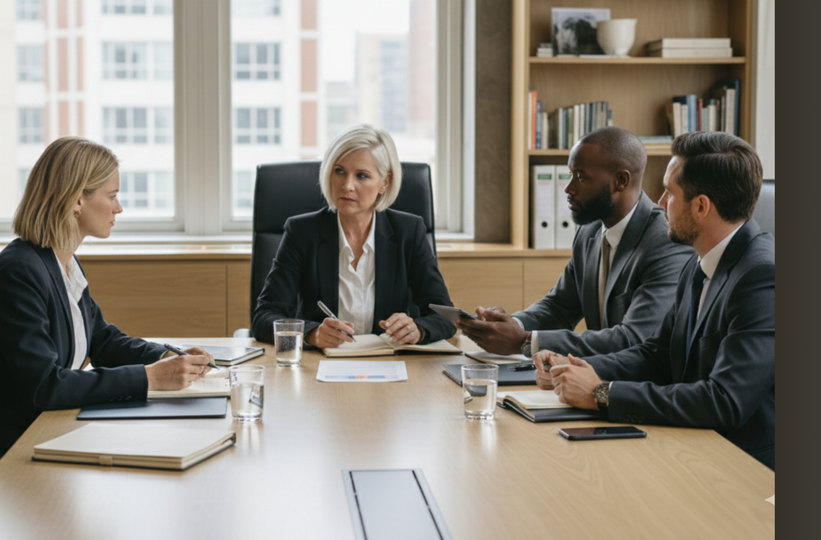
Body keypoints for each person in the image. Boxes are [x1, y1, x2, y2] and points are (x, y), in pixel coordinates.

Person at [538, 131, 776, 468]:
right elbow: (658, 354)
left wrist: (601, 393)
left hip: (745, 468)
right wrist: (574, 368)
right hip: (693, 446)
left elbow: (724, 400)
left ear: (701, 206)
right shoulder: (700, 261)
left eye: (669, 193)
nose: (660, 204)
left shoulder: (761, 277)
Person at [0, 137, 215, 462]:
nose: (118, 207)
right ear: (76, 200)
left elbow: (102, 341)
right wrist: (151, 377)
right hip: (19, 449)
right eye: (111, 196)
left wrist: (169, 356)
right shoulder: (19, 270)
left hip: (57, 429)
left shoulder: (62, 261)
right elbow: (45, 385)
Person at [455, 126, 693, 357]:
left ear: (620, 181)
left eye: (581, 177)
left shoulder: (665, 242)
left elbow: (634, 338)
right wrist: (510, 325)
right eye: (570, 175)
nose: (569, 188)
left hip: (638, 387)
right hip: (595, 376)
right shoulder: (589, 231)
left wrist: (526, 342)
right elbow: (559, 307)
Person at [251, 125, 455, 349]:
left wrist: (418, 329)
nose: (347, 185)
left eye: (362, 176)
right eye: (339, 171)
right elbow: (264, 317)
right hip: (321, 367)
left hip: (389, 366)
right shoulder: (302, 232)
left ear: (384, 183)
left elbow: (445, 316)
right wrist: (311, 334)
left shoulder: (409, 231)